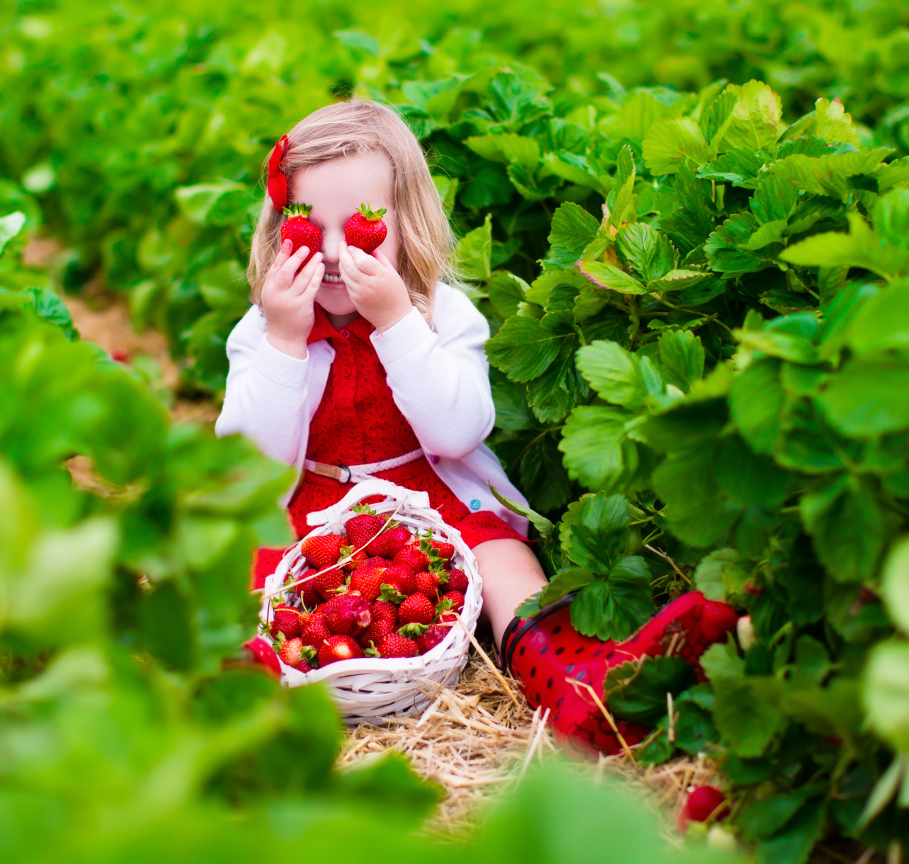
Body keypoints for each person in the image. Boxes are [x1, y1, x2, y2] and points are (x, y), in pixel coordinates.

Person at [215, 100, 736, 755]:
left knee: (504, 555)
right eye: (307, 229)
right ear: (277, 231)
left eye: (365, 224)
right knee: (254, 565)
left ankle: (577, 682)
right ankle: (247, 676)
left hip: (430, 498)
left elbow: (459, 431)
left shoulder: (441, 313)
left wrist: (399, 323)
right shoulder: (263, 330)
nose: (335, 253)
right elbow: (247, 463)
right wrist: (285, 342)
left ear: (410, 222)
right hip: (315, 513)